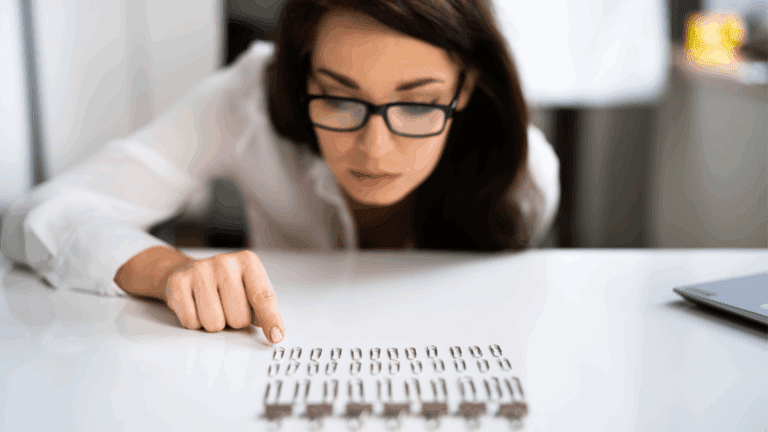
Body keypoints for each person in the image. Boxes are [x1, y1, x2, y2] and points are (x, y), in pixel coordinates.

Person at [0, 0, 559, 344]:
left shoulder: (526, 177)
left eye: (418, 105)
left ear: (467, 87)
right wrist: (170, 271)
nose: (375, 149)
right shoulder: (249, 97)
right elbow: (41, 214)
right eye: (339, 99)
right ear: (301, 75)